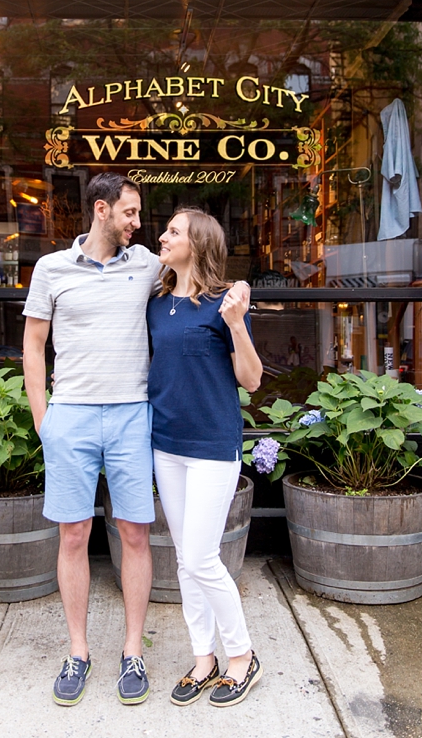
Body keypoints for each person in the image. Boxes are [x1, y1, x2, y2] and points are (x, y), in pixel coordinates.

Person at [22, 172, 159, 707]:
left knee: (135, 534)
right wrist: (44, 420)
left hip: (130, 415)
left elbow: (201, 271)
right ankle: (78, 652)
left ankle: (132, 651)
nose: (137, 222)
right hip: (72, 417)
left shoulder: (146, 263)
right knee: (73, 535)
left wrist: (239, 289)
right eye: (129, 212)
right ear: (101, 210)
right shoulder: (51, 268)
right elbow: (34, 346)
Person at [148, 208, 265, 708]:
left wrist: (237, 324)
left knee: (200, 556)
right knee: (184, 561)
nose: (162, 236)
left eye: (173, 231)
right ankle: (204, 658)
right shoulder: (154, 302)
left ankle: (241, 657)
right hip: (166, 444)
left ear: (197, 243)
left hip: (213, 446)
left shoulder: (223, 303)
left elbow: (252, 379)